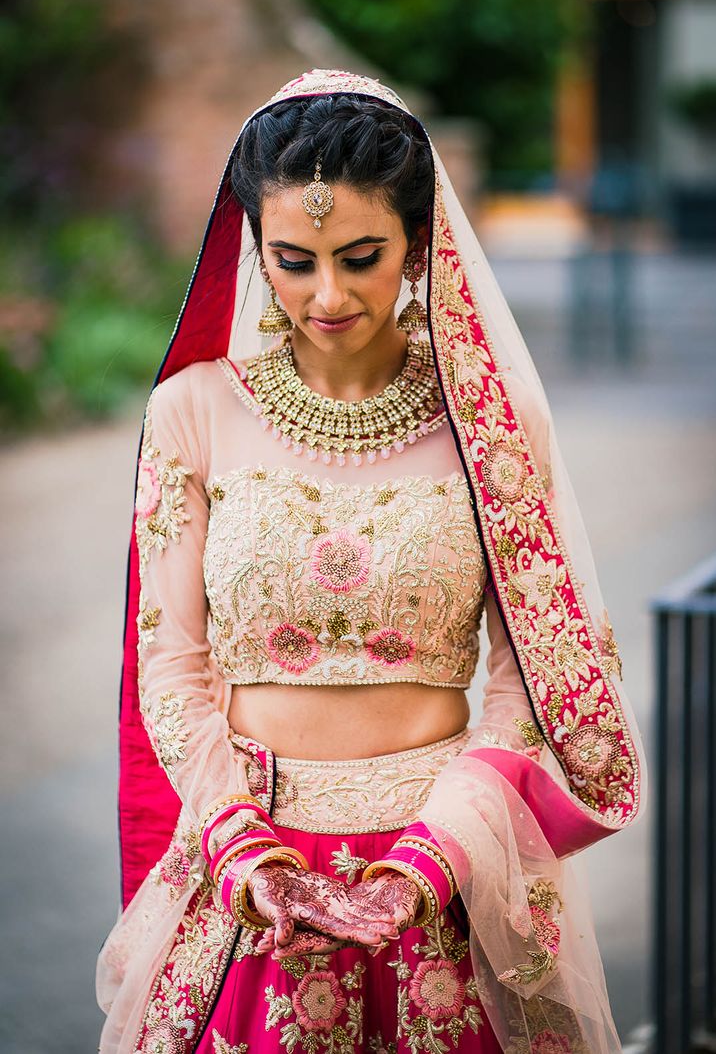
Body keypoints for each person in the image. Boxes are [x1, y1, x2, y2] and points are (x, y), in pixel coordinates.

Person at [96, 69, 648, 1054]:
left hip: (441, 859)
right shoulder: (191, 411)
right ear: (254, 247)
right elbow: (170, 662)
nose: (327, 293)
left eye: (360, 256)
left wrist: (433, 856)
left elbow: (534, 667)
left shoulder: (487, 421)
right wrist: (240, 848)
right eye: (292, 260)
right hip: (252, 865)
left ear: (418, 240)